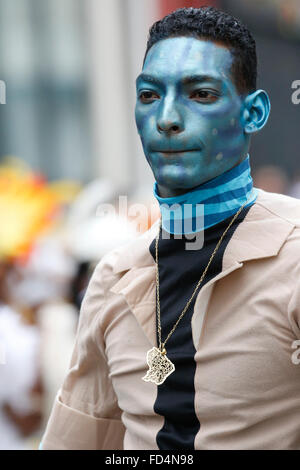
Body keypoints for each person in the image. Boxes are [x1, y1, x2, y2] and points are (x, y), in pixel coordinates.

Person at [40, 7, 300, 450]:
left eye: (200, 94)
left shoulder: (293, 260)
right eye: (148, 95)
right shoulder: (114, 279)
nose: (167, 119)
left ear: (253, 113)